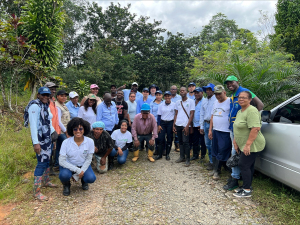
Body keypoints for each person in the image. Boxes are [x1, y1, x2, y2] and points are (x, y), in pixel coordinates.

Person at [223, 75, 264, 191]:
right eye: (228, 83)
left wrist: (254, 119)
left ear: (237, 82)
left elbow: (260, 105)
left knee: (236, 156)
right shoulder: (234, 95)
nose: (229, 85)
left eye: (232, 82)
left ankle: (235, 179)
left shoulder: (245, 92)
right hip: (235, 131)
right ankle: (241, 180)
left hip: (245, 132)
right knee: (237, 155)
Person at [24, 87, 58, 201]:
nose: (45, 97)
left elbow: (47, 122)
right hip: (39, 139)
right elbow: (33, 125)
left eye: (47, 95)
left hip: (47, 137)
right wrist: (36, 143)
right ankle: (36, 191)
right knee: (41, 163)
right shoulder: (35, 106)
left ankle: (46, 181)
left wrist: (53, 132)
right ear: (38, 95)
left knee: (47, 160)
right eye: (43, 95)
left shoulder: (45, 105)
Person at [232, 91, 265, 197]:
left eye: (244, 98)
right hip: (243, 143)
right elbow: (237, 127)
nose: (241, 99)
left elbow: (255, 129)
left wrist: (247, 145)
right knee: (249, 166)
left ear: (250, 99)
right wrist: (235, 140)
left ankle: (246, 191)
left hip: (252, 144)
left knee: (243, 164)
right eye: (239, 97)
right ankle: (247, 186)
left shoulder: (252, 111)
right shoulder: (240, 111)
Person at [59, 118, 96, 196]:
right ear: (71, 130)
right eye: (75, 129)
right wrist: (78, 171)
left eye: (80, 128)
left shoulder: (90, 141)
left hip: (83, 165)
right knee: (64, 175)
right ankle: (66, 185)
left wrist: (81, 171)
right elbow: (61, 161)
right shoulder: (66, 142)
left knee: (91, 178)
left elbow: (89, 159)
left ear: (84, 129)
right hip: (68, 165)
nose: (78, 131)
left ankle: (84, 181)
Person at [208, 85, 232, 180]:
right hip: (215, 130)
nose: (218, 96)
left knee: (222, 151)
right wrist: (210, 130)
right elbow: (212, 117)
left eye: (219, 94)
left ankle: (217, 171)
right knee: (214, 150)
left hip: (225, 131)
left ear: (224, 92)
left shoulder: (230, 101)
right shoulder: (215, 103)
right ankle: (215, 169)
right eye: (216, 94)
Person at [173, 87, 195, 167]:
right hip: (178, 124)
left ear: (186, 92)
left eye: (183, 90)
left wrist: (187, 125)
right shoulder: (177, 102)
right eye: (181, 91)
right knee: (180, 142)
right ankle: (181, 157)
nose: (182, 92)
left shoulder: (191, 101)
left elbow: (192, 114)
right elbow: (176, 114)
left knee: (186, 142)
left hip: (186, 125)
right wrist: (174, 125)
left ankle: (188, 159)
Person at [44, 82, 60, 174]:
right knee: (48, 151)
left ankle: (50, 169)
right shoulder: (44, 102)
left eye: (54, 89)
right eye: (51, 89)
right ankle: (46, 170)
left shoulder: (53, 100)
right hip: (48, 131)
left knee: (53, 149)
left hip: (54, 130)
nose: (53, 91)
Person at [200, 83, 216, 170]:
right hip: (206, 123)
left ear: (213, 90)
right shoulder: (204, 100)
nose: (208, 91)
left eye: (210, 89)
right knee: (208, 144)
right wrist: (201, 126)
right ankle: (211, 161)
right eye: (207, 89)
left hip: (213, 124)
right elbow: (202, 114)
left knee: (214, 144)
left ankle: (215, 163)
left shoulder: (216, 99)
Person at [155, 91, 175, 160]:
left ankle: (167, 154)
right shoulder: (161, 105)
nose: (167, 97)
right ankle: (159, 155)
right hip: (162, 123)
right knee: (160, 138)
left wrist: (174, 125)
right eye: (166, 96)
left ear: (171, 96)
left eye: (168, 96)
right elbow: (159, 115)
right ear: (164, 97)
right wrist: (159, 125)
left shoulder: (174, 105)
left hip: (170, 123)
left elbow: (175, 115)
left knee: (169, 139)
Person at [55, 90, 71, 170]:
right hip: (61, 131)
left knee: (59, 147)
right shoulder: (57, 107)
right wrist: (66, 131)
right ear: (57, 96)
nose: (64, 97)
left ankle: (56, 164)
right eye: (62, 96)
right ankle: (60, 164)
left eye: (65, 96)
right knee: (65, 145)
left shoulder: (63, 105)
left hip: (65, 129)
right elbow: (58, 121)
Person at [190, 87, 206, 161]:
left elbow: (205, 114)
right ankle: (195, 155)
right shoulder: (192, 101)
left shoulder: (205, 101)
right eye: (195, 93)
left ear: (202, 93)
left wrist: (202, 124)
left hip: (201, 125)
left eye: (198, 92)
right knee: (195, 141)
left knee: (202, 142)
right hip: (194, 125)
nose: (196, 94)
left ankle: (202, 156)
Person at [150, 90, 164, 155]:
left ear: (162, 95)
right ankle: (156, 149)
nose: (158, 96)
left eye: (160, 95)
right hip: (154, 121)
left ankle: (163, 149)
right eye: (157, 95)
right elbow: (150, 113)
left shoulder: (164, 102)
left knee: (163, 136)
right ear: (155, 96)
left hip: (163, 121)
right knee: (155, 135)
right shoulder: (152, 103)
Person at [170, 85, 181, 152]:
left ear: (176, 90)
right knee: (169, 133)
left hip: (177, 117)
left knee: (177, 133)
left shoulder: (179, 97)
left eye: (174, 89)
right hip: (170, 117)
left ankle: (177, 145)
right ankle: (168, 146)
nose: (173, 90)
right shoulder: (168, 96)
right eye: (172, 89)